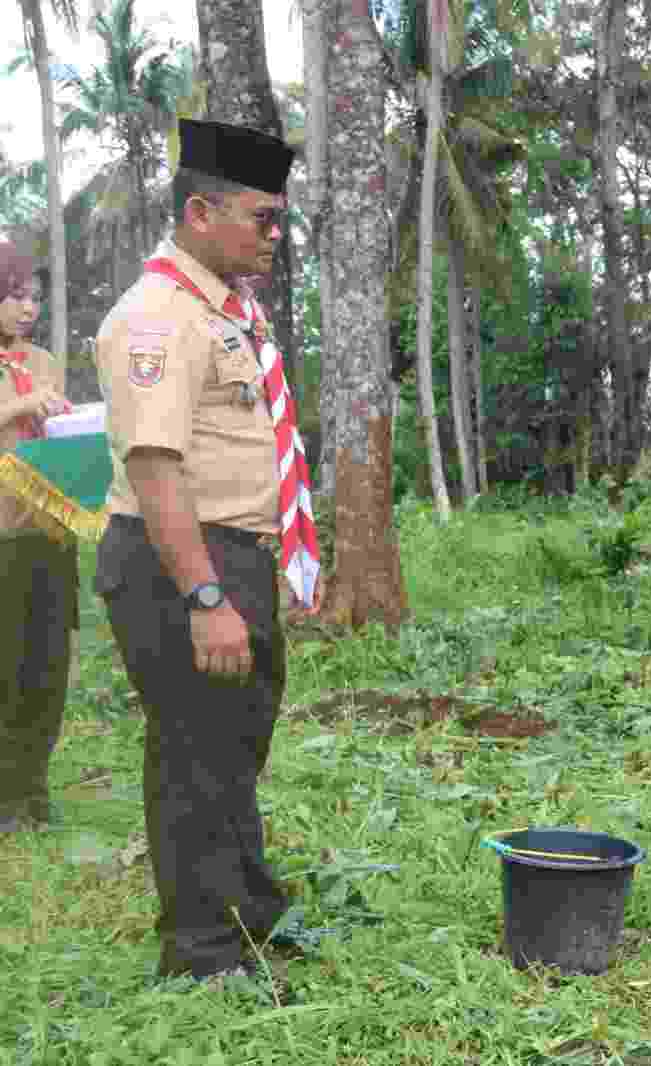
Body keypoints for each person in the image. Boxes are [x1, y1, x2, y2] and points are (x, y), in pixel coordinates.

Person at [93, 119, 319, 982]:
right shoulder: (155, 319)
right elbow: (155, 471)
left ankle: (246, 908)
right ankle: (201, 950)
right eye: (261, 218)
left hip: (237, 554)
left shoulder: (225, 311)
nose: (274, 234)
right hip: (177, 565)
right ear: (199, 212)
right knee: (194, 750)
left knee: (235, 744)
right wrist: (206, 598)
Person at [0, 243, 75, 834]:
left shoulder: (46, 360)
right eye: (15, 296)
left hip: (50, 533)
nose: (27, 308)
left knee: (47, 667)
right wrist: (20, 405)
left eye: (31, 297)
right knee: (6, 667)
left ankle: (33, 788)